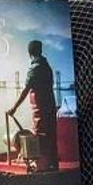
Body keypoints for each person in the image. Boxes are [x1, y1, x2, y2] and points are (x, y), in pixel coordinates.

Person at [9, 39, 58, 172]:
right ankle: (53, 167)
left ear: (29, 53)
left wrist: (14, 108)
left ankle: (42, 170)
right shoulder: (47, 67)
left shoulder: (34, 68)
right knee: (50, 138)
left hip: (40, 111)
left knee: (40, 136)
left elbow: (25, 90)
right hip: (50, 108)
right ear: (40, 51)